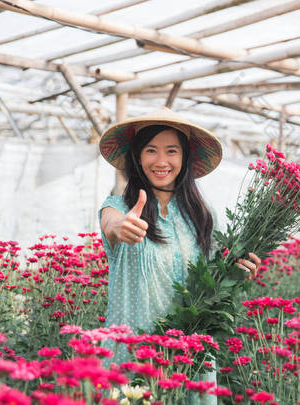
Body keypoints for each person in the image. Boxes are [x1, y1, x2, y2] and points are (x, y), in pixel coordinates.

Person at [98, 108, 260, 400]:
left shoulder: (203, 214)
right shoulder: (118, 208)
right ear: (137, 157)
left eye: (171, 151)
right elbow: (111, 225)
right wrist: (121, 227)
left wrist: (238, 270)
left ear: (184, 156)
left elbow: (215, 279)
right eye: (151, 150)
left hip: (189, 356)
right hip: (134, 353)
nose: (161, 161)